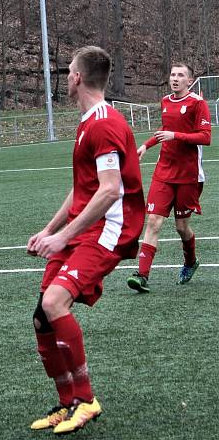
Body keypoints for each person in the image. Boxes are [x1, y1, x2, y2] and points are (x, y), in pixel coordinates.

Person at [26, 46, 144, 434]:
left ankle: (87, 399)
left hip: (107, 229)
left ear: (77, 77)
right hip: (82, 228)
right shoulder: (87, 122)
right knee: (43, 317)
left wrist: (62, 238)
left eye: (69, 72)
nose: (66, 78)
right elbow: (82, 189)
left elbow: (109, 191)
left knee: (55, 301)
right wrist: (49, 229)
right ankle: (67, 403)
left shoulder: (104, 124)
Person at [128, 62, 211, 292]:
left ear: (189, 80)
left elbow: (205, 137)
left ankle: (190, 262)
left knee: (182, 227)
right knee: (153, 221)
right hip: (164, 172)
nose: (175, 78)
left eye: (180, 75)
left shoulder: (198, 103)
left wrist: (175, 135)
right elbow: (164, 131)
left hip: (189, 175)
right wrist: (146, 145)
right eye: (173, 74)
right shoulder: (165, 101)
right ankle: (141, 275)